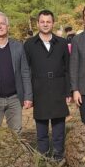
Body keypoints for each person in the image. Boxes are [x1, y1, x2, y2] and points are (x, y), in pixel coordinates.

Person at [24, 10, 70, 159]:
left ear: (53, 23)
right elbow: (26, 71)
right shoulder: (30, 44)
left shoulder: (62, 43)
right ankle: (43, 157)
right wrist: (28, 94)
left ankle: (58, 156)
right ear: (38, 23)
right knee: (42, 129)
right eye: (42, 21)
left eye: (48, 21)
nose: (45, 24)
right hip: (39, 89)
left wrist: (68, 91)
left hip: (58, 88)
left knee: (58, 128)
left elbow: (67, 68)